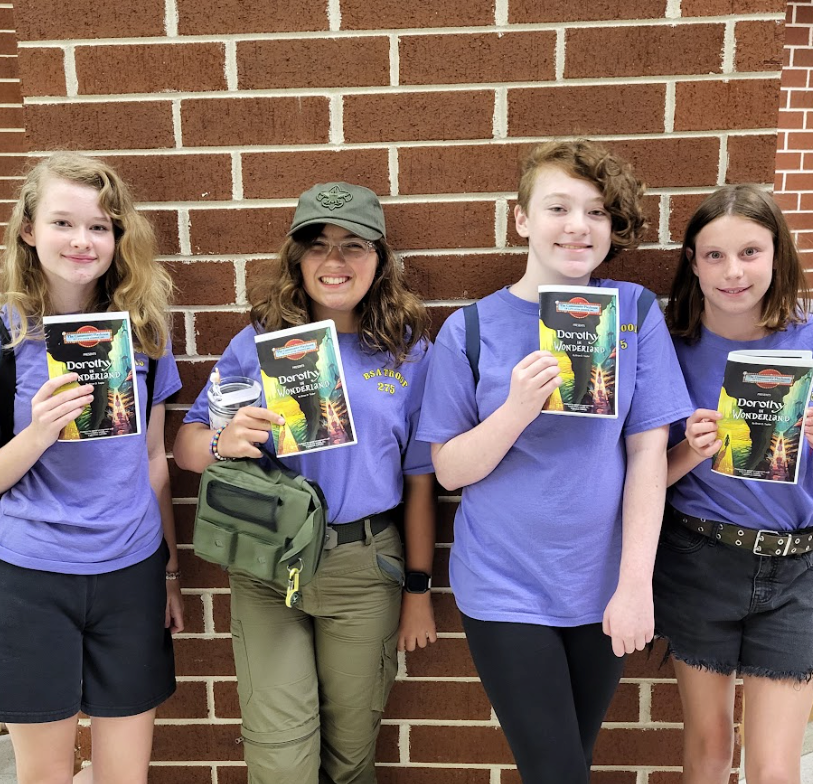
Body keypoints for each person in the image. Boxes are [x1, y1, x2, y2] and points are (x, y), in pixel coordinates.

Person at [416, 140, 693, 783]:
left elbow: (649, 453)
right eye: (558, 207)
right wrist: (516, 408)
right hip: (506, 585)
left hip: (602, 587)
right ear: (521, 219)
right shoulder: (471, 329)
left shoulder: (634, 313)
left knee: (572, 761)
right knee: (557, 772)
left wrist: (634, 587)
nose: (577, 226)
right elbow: (450, 470)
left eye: (596, 213)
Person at [173, 182, 437, 784]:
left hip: (363, 568)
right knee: (281, 757)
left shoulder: (409, 354)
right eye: (317, 246)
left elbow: (422, 481)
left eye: (353, 246)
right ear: (296, 259)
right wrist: (222, 440)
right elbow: (186, 446)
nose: (335, 262)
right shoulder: (257, 345)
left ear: (381, 260)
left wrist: (419, 591)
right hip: (268, 566)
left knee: (349, 759)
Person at [0, 152, 184, 784]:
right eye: (63, 223)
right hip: (28, 577)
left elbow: (157, 463)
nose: (82, 241)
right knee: (46, 775)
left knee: (124, 777)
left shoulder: (145, 332)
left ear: (118, 239)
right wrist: (39, 432)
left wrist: (170, 571)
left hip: (130, 570)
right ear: (28, 230)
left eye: (101, 226)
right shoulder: (5, 336)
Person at [653, 184, 813, 784]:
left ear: (778, 255)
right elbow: (645, 481)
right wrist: (691, 452)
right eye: (714, 255)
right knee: (711, 751)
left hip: (797, 567)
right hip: (700, 558)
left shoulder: (809, 338)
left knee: (774, 768)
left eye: (750, 252)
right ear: (692, 262)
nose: (733, 272)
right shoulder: (669, 348)